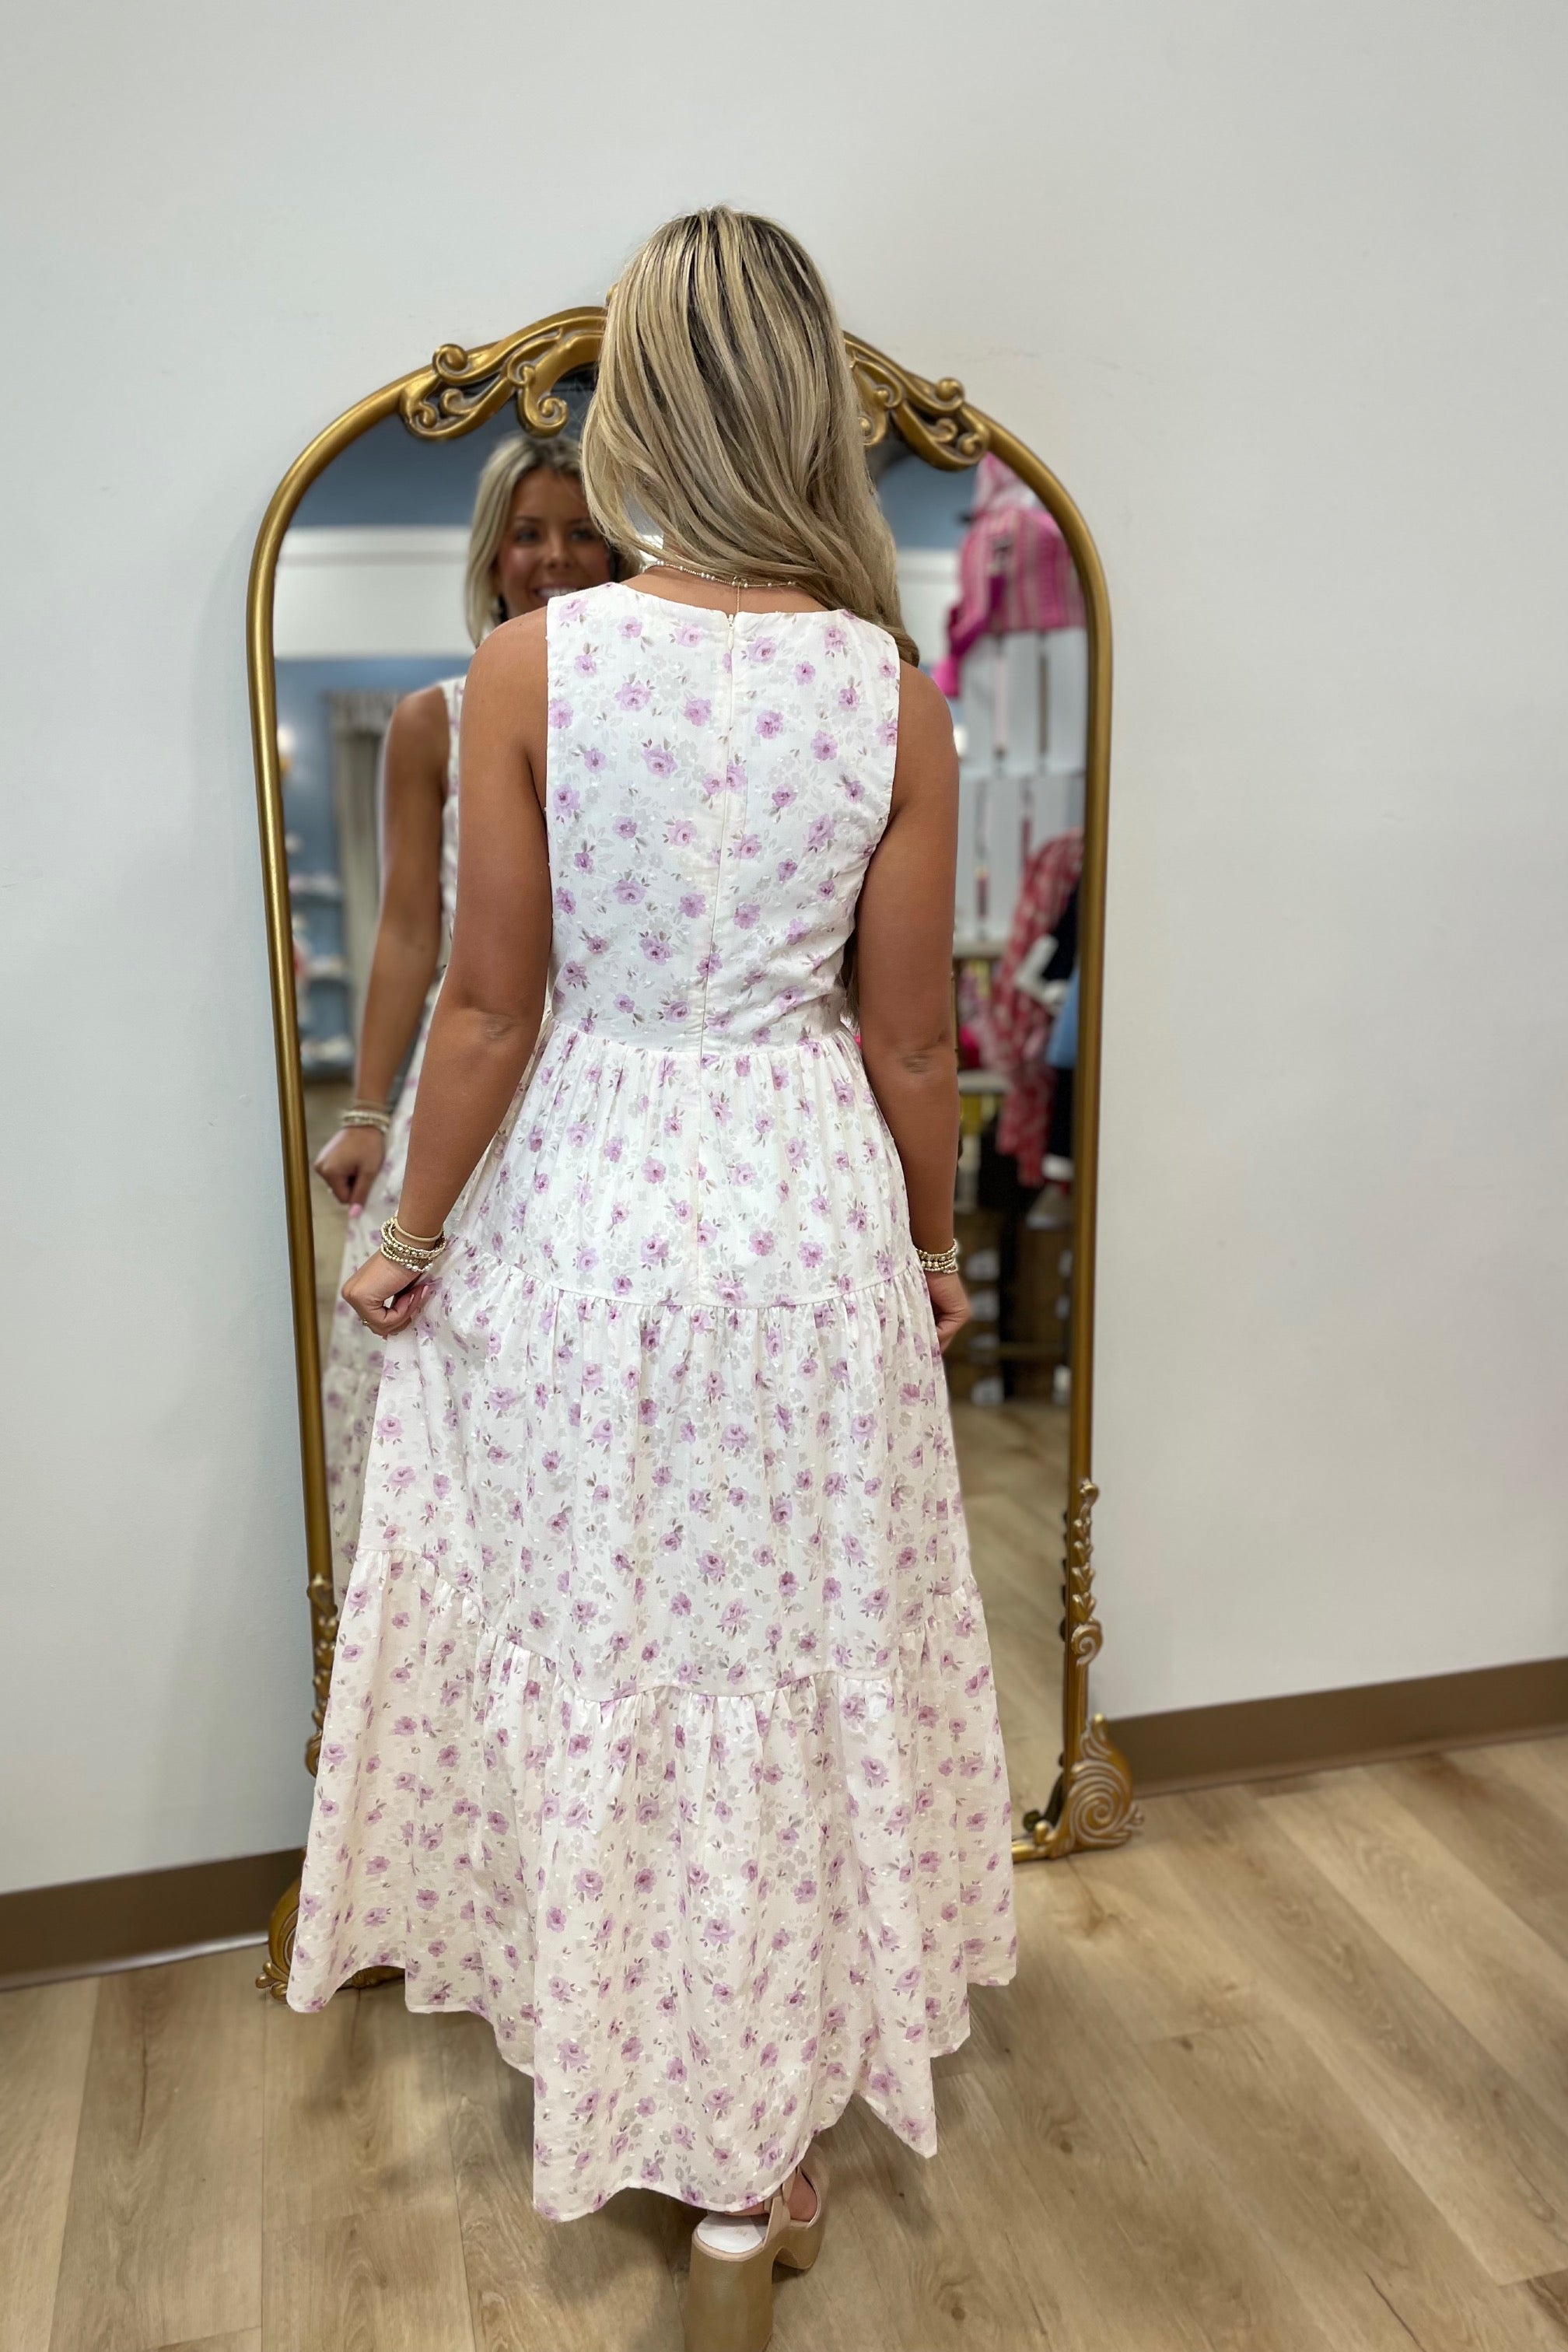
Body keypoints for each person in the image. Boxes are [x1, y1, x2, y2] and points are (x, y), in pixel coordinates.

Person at [288, 208, 1017, 2352]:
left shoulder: (536, 669)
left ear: (641, 416)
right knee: (787, 1667)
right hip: (800, 1230)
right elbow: (910, 1044)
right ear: (803, 411)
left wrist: (408, 1234)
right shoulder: (890, 697)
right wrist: (934, 1253)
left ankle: (648, 2081)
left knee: (608, 1651)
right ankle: (755, 2155)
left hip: (593, 1228)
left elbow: (489, 1008)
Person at [312, 434, 616, 1597]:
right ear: (492, 556)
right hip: (465, 1078)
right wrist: (366, 1109)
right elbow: (406, 930)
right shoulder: (431, 720)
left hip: (601, 1081)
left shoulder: (654, 705)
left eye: (581, 531)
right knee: (437, 1372)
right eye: (528, 533)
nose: (555, 557)